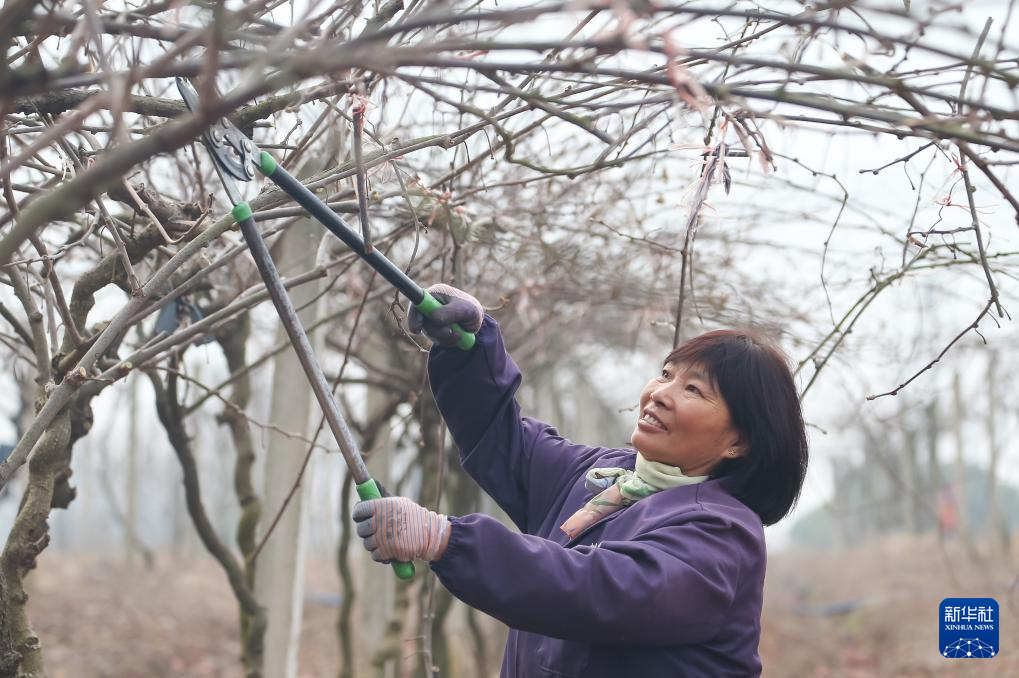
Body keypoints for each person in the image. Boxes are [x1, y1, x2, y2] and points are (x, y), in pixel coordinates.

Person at [353, 284, 809, 677]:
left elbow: (598, 591)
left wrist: (447, 539)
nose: (660, 394)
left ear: (739, 442)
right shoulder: (601, 478)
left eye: (693, 390)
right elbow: (502, 438)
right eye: (666, 374)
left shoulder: (721, 535)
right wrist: (469, 347)